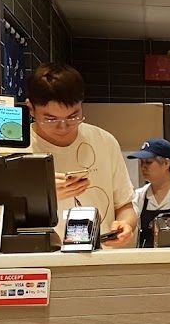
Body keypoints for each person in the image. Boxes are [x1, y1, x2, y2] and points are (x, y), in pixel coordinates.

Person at [13, 62, 137, 248]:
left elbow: (125, 206)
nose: (63, 127)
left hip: (101, 259)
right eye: (51, 119)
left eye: (73, 116)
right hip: (39, 260)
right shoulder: (13, 150)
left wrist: (125, 225)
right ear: (30, 108)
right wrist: (42, 195)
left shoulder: (104, 141)